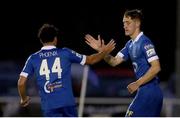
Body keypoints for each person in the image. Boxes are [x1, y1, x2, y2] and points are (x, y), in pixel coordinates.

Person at [17, 23, 115, 117]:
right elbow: (91, 60)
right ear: (55, 39)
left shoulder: (33, 58)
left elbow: (21, 83)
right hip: (67, 105)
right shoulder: (65, 53)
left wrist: (24, 99)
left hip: (49, 106)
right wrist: (104, 51)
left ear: (41, 40)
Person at [85, 9, 163, 117]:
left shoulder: (144, 42)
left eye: (128, 22)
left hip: (150, 92)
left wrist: (137, 83)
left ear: (137, 23)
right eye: (123, 23)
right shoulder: (129, 45)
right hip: (146, 92)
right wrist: (101, 51)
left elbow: (156, 68)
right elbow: (114, 61)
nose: (124, 26)